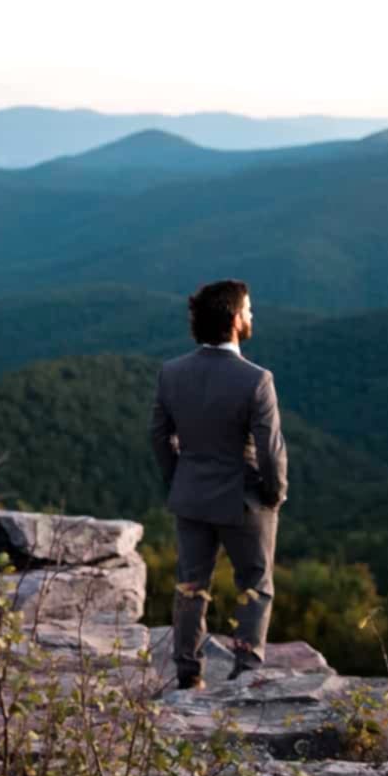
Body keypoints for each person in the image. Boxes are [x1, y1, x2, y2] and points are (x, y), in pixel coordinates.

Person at [150, 279, 288, 691]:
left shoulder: (172, 372)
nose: (251, 316)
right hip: (243, 498)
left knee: (191, 585)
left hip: (191, 495)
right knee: (254, 584)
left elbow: (158, 436)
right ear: (233, 320)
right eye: (248, 310)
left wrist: (178, 480)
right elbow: (270, 450)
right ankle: (245, 671)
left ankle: (188, 673)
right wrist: (274, 494)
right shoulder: (256, 380)